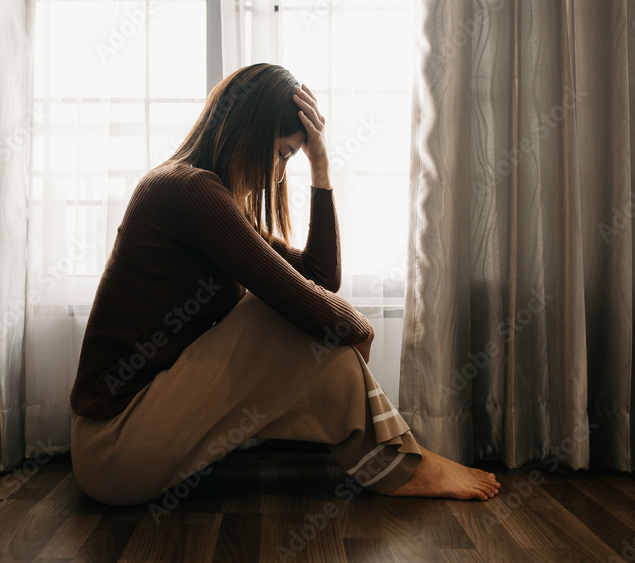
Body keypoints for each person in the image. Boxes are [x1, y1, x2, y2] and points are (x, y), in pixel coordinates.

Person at [69, 63, 500, 505]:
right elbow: (305, 302)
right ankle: (404, 465)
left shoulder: (208, 196)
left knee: (314, 344)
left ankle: (400, 464)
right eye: (280, 154)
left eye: (288, 159)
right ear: (247, 130)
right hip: (114, 447)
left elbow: (319, 274)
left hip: (137, 435)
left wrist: (320, 166)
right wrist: (360, 331)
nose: (278, 175)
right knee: (267, 313)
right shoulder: (188, 192)